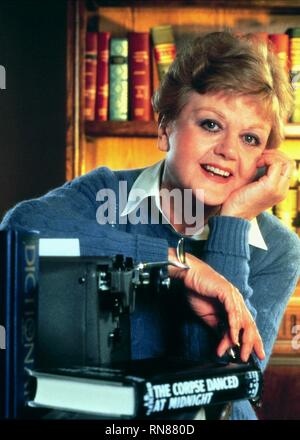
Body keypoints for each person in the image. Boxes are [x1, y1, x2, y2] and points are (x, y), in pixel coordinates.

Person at [1, 31, 300, 420]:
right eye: (211, 124)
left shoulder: (278, 248)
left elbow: (226, 384)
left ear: (265, 158)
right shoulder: (105, 194)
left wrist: (233, 224)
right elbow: (18, 229)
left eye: (249, 138)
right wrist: (175, 263)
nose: (228, 150)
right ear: (165, 129)